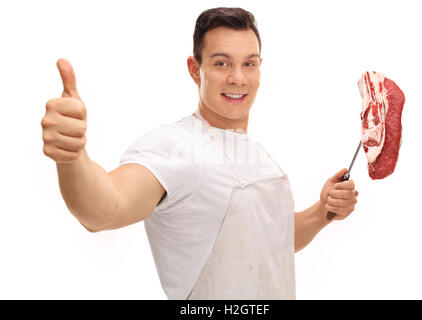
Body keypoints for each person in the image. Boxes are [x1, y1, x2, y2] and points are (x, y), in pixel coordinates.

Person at [41, 7, 358, 300]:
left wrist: (322, 211)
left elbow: (271, 243)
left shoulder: (256, 154)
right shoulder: (174, 144)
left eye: (249, 63)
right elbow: (105, 209)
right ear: (195, 70)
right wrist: (72, 158)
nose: (238, 77)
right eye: (222, 63)